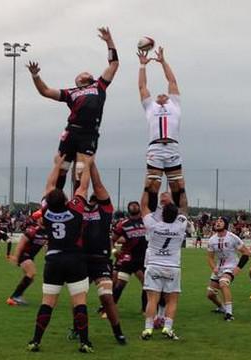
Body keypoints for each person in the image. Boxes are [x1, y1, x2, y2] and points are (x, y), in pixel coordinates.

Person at [27, 27, 119, 191]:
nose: (85, 72)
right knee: (62, 166)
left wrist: (109, 41)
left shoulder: (99, 85)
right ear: (77, 80)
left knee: (81, 170)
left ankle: (78, 201)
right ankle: (56, 198)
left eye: (87, 72)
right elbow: (45, 91)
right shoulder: (71, 93)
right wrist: (35, 76)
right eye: (82, 73)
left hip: (89, 133)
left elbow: (114, 64)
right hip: (72, 130)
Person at [27, 155, 94, 353]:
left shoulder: (46, 212)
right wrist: (87, 165)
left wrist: (58, 165)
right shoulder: (74, 210)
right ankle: (84, 342)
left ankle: (35, 341)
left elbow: (49, 185)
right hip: (75, 259)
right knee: (79, 302)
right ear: (66, 199)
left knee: (47, 303)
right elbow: (83, 187)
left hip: (53, 260)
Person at [71, 162, 125, 344]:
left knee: (107, 298)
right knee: (79, 298)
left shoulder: (105, 210)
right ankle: (77, 329)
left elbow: (98, 185)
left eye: (96, 199)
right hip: (80, 260)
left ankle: (118, 332)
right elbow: (79, 187)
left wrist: (90, 164)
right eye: (91, 199)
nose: (93, 200)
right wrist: (79, 166)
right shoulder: (77, 210)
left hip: (101, 261)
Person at [137, 46, 187, 214]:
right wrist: (143, 66)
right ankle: (148, 218)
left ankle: (181, 219)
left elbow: (172, 81)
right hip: (156, 148)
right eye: (158, 95)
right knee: (152, 185)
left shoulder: (175, 103)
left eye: (164, 94)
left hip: (172, 147)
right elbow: (142, 86)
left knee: (178, 186)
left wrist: (163, 62)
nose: (161, 95)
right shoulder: (150, 106)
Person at [140, 188, 187, 341]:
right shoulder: (180, 225)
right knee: (171, 300)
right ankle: (168, 327)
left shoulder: (154, 224)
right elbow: (184, 207)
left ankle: (148, 329)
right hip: (172, 267)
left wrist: (147, 189)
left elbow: (144, 206)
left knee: (152, 299)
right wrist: (181, 190)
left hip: (154, 265)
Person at [206, 217, 250, 321]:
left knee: (223, 283)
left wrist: (238, 269)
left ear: (225, 224)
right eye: (216, 221)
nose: (217, 223)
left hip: (231, 266)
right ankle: (222, 308)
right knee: (210, 294)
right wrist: (214, 268)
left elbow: (246, 253)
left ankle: (229, 313)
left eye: (220, 221)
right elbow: (210, 258)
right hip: (219, 268)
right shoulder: (212, 240)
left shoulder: (232, 237)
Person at [111, 201, 148, 313]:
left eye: (136, 205)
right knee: (120, 284)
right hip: (128, 258)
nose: (134, 206)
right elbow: (112, 239)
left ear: (140, 208)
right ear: (128, 209)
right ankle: (108, 309)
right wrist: (113, 250)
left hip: (143, 258)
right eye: (131, 205)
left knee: (146, 284)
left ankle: (145, 309)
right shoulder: (123, 224)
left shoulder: (146, 222)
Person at [6, 211, 47, 306]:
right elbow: (21, 243)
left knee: (30, 278)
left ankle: (17, 296)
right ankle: (14, 297)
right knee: (31, 272)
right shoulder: (33, 230)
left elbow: (46, 245)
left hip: (30, 256)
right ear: (39, 219)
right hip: (23, 255)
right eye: (43, 217)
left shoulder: (47, 231)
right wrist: (16, 257)